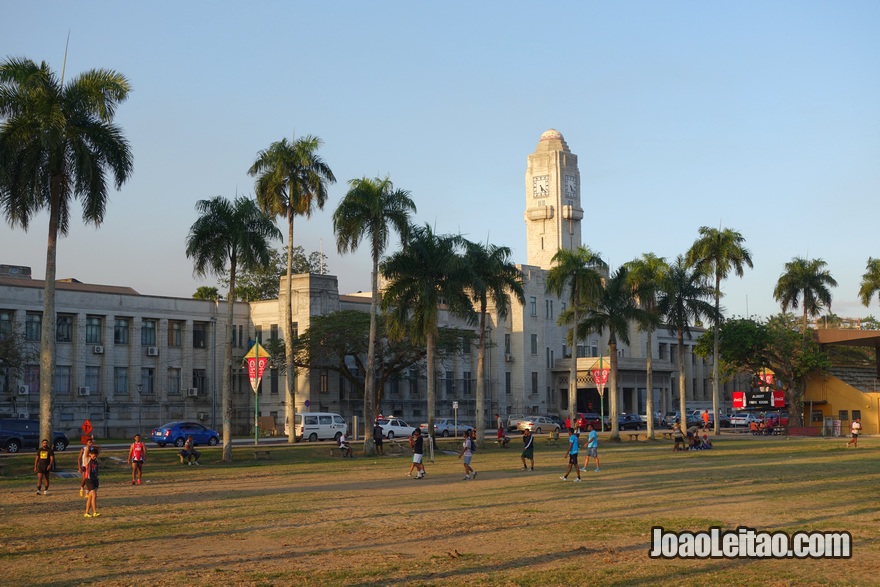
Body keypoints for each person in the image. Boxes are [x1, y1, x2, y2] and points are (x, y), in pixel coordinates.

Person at [83, 446, 100, 518]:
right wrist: (89, 445)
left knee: (90, 497)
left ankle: (86, 512)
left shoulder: (95, 460)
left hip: (95, 479)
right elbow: (87, 450)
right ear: (90, 454)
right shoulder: (87, 459)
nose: (94, 456)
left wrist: (95, 447)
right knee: (94, 495)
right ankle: (95, 512)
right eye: (93, 454)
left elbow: (99, 449)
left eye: (95, 455)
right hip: (89, 479)